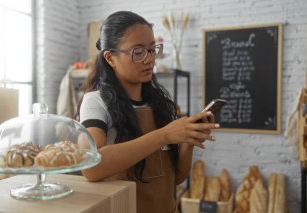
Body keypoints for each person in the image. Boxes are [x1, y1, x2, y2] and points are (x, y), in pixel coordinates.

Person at [78, 11, 220, 213]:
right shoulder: (95, 101)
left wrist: (187, 145)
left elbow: (174, 179)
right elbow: (91, 168)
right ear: (110, 58)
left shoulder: (160, 103)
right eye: (138, 51)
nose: (149, 59)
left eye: (153, 49)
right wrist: (164, 135)